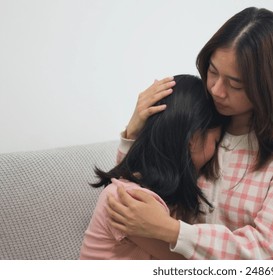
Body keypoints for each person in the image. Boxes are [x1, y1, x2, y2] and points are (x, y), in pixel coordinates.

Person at [107, 7, 273, 260]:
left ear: (270, 88)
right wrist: (133, 130)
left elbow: (265, 251)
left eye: (235, 84)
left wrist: (171, 230)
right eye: (212, 72)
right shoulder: (199, 122)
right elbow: (137, 191)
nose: (216, 90)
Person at [79, 74, 226, 259]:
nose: (216, 153)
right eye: (216, 141)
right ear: (192, 141)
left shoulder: (151, 190)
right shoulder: (128, 199)